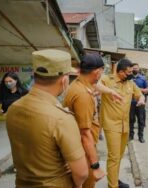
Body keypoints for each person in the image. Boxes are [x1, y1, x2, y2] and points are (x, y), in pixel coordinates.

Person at [6, 49, 89, 187]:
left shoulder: (14, 108)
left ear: (35, 75)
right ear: (64, 80)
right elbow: (81, 173)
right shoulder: (61, 118)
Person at [64, 54, 122, 188]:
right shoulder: (83, 95)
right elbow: (85, 134)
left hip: (79, 146)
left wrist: (110, 92)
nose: (102, 74)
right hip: (83, 150)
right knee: (88, 183)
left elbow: (95, 85)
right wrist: (95, 165)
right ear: (98, 71)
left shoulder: (80, 83)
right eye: (102, 70)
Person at [99, 58, 145, 188]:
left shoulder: (130, 83)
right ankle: (112, 185)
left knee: (119, 157)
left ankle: (115, 179)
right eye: (128, 72)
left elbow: (139, 94)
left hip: (125, 126)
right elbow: (95, 84)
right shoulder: (108, 80)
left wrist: (141, 99)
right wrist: (110, 91)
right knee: (113, 157)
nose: (130, 74)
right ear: (119, 72)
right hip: (111, 125)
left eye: (131, 71)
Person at [129, 63, 148, 143]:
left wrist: (138, 90)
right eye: (133, 68)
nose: (135, 69)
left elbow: (147, 89)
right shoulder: (129, 79)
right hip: (131, 103)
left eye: (136, 68)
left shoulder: (143, 79)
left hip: (140, 103)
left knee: (141, 120)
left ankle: (141, 136)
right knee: (131, 120)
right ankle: (131, 135)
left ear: (139, 69)